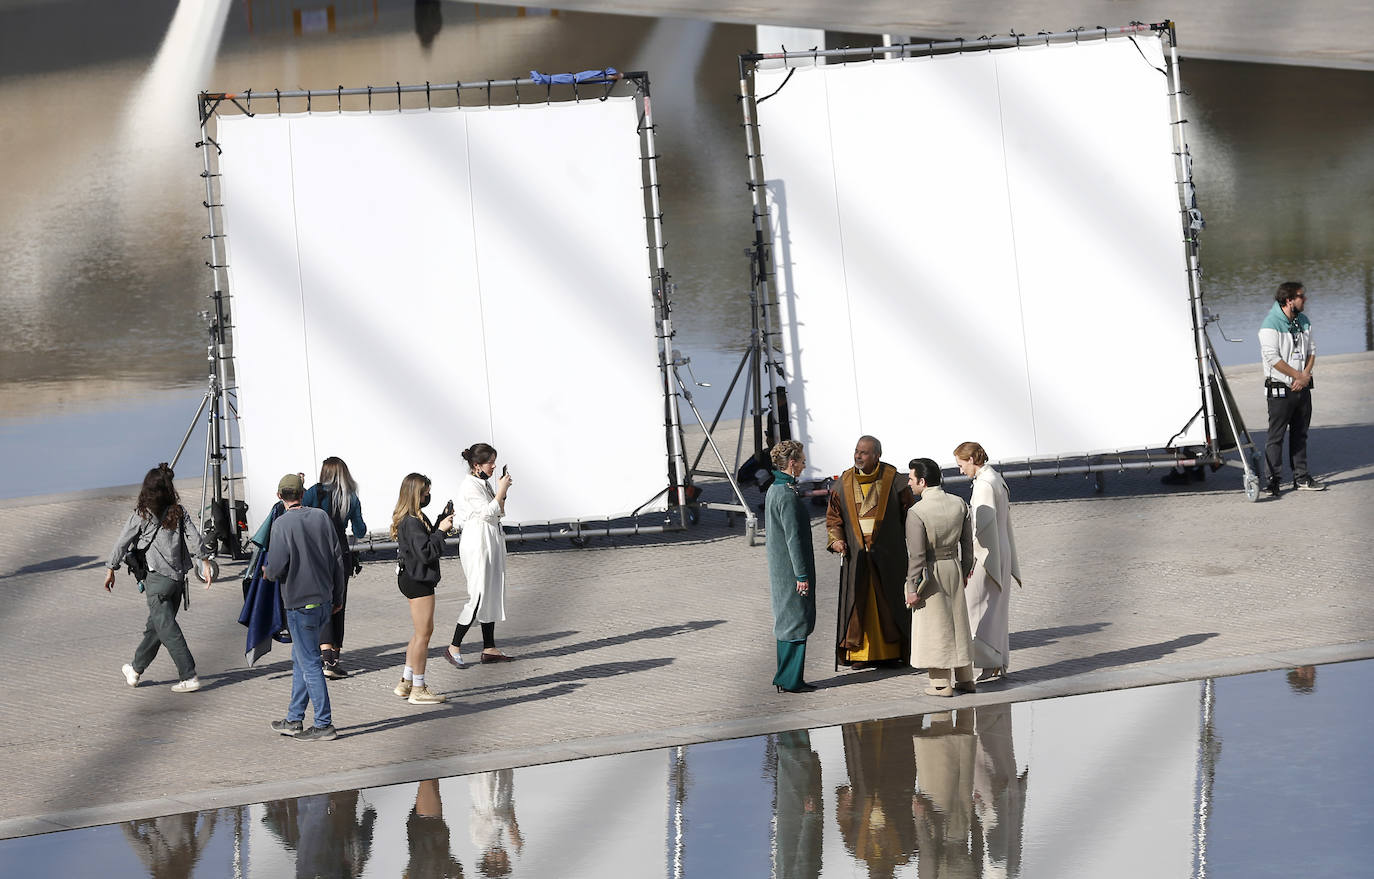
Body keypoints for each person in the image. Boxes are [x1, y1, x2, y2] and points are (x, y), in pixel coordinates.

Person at [103, 463, 213, 693]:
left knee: (167, 628)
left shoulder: (142, 514)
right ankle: (135, 669)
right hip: (177, 580)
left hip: (157, 580)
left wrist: (111, 568)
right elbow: (194, 537)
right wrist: (204, 561)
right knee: (155, 627)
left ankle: (189, 675)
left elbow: (122, 542)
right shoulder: (178, 511)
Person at [264, 473, 346, 740]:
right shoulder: (321, 517)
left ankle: (324, 724)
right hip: (324, 599)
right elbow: (337, 558)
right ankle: (293, 719)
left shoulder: (281, 524)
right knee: (300, 659)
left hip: (299, 604)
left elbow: (276, 567)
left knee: (310, 663)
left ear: (279, 496)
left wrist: (266, 571)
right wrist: (338, 597)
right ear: (302, 494)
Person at [825, 435, 914, 669]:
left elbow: (910, 515)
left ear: (877, 456)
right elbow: (834, 519)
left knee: (890, 602)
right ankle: (861, 655)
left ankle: (892, 653)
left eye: (864, 452)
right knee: (859, 603)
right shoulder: (843, 483)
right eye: (856, 451)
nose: (858, 456)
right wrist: (836, 541)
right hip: (857, 556)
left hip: (888, 555)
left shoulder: (894, 480)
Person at [904, 457, 976, 697]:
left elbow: (917, 555)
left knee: (935, 627)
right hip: (953, 566)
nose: (909, 482)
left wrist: (911, 588)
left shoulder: (917, 512)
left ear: (922, 482)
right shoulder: (959, 503)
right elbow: (967, 544)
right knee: (958, 623)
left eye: (911, 478)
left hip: (931, 571)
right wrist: (965, 571)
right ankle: (966, 678)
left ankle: (940, 684)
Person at [953, 442, 1021, 683]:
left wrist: (971, 562)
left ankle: (989, 662)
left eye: (961, 465)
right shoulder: (995, 477)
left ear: (972, 459)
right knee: (996, 609)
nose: (960, 470)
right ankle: (998, 660)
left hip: (988, 552)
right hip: (1001, 549)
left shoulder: (983, 484)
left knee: (978, 609)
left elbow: (980, 528)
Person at [444, 443, 514, 667]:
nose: (493, 466)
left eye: (494, 462)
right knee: (479, 593)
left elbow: (499, 511)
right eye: (490, 462)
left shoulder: (482, 483)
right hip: (477, 542)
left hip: (490, 539)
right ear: (476, 465)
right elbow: (486, 512)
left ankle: (489, 647)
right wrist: (501, 490)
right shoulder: (469, 486)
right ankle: (453, 646)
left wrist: (503, 492)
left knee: (492, 590)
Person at [303, 456, 367, 679]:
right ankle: (334, 660)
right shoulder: (350, 497)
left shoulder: (313, 492)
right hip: (341, 555)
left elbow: (301, 514)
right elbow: (359, 530)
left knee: (322, 603)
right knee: (339, 604)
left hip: (316, 555)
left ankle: (325, 656)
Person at [392, 472, 453, 706]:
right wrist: (441, 532)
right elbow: (426, 552)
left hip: (412, 578)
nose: (429, 495)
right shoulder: (411, 521)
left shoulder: (414, 518)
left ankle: (406, 682)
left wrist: (439, 522)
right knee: (424, 634)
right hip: (417, 580)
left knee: (420, 633)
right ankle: (419, 687)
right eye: (426, 492)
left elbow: (424, 541)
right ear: (416, 494)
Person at [1259, 281, 1324, 496]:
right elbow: (1272, 358)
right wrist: (1298, 376)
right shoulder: (1270, 324)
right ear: (1289, 300)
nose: (1305, 300)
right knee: (1275, 436)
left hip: (1302, 387)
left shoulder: (1303, 321)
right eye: (1301, 296)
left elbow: (1312, 351)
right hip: (1280, 389)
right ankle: (1272, 481)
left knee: (1300, 434)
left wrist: (1304, 376)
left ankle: (1301, 478)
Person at [766, 440, 818, 693]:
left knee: (786, 620)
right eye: (802, 460)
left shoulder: (775, 489)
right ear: (792, 462)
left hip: (780, 569)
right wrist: (802, 574)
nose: (805, 464)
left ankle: (785, 677)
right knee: (796, 622)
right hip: (790, 570)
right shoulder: (786, 494)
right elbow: (793, 538)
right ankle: (790, 678)